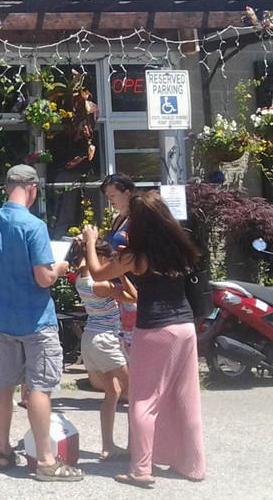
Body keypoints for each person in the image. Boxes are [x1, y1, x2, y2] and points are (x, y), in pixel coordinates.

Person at [83, 191, 205, 487]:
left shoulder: (136, 255)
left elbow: (98, 274)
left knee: (143, 400)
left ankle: (141, 469)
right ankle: (193, 466)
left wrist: (89, 242)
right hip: (185, 327)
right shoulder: (179, 247)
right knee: (186, 397)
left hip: (154, 329)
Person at [0, 164, 82, 481]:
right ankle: (47, 462)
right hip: (36, 320)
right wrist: (61, 267)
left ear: (8, 186)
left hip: (4, 319)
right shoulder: (33, 226)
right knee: (39, 388)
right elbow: (43, 277)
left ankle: (3, 451)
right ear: (32, 188)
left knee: (4, 384)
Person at [69, 236, 134, 462]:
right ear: (101, 257)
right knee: (134, 390)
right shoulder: (102, 285)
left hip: (91, 339)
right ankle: (135, 446)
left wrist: (87, 244)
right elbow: (133, 297)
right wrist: (121, 273)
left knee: (112, 392)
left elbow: (85, 264)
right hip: (106, 340)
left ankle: (108, 446)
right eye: (108, 259)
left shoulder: (81, 279)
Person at [101, 173, 138, 349]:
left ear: (127, 193)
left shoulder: (137, 218)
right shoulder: (118, 218)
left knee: (132, 343)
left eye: (113, 195)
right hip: (116, 286)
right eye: (107, 196)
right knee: (120, 343)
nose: (110, 200)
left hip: (132, 286)